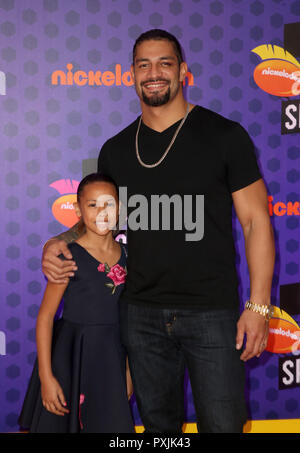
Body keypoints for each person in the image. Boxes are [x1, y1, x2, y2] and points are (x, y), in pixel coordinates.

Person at [41, 29, 275, 433]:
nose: (154, 73)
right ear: (131, 75)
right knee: (159, 432)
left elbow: (255, 222)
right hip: (140, 315)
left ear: (183, 71)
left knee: (223, 425)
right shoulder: (114, 150)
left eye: (164, 63)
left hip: (212, 314)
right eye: (143, 65)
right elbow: (97, 224)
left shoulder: (224, 136)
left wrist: (258, 305)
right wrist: (57, 242)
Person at [19, 173, 134, 433]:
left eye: (109, 204)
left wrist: (129, 373)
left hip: (111, 359)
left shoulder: (130, 256)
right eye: (92, 205)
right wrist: (46, 377)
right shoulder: (68, 256)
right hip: (71, 359)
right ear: (78, 208)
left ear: (120, 208)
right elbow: (46, 317)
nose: (101, 212)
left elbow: (133, 322)